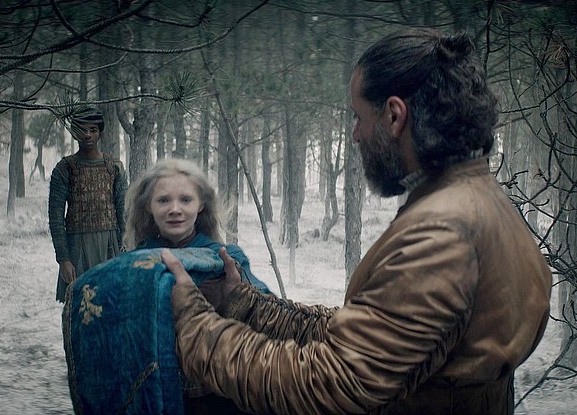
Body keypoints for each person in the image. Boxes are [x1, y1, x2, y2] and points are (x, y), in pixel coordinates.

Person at [163, 28, 553, 415]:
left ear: (395, 115)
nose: (355, 135)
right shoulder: (478, 199)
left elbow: (332, 382)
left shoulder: (443, 232)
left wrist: (196, 329)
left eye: (359, 117)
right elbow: (378, 332)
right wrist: (248, 305)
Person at [123, 158, 272, 414]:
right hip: (156, 390)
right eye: (163, 200)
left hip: (217, 390)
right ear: (148, 206)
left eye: (185, 200)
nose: (175, 209)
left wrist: (236, 297)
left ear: (201, 204)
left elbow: (269, 314)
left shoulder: (226, 258)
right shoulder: (134, 263)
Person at [48, 106, 127, 302]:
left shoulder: (114, 167)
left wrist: (125, 247)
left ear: (100, 132)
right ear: (74, 132)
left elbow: (123, 211)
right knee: (79, 304)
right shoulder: (64, 169)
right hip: (78, 249)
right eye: (82, 130)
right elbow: (56, 218)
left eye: (93, 129)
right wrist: (63, 259)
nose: (88, 135)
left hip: (109, 247)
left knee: (111, 303)